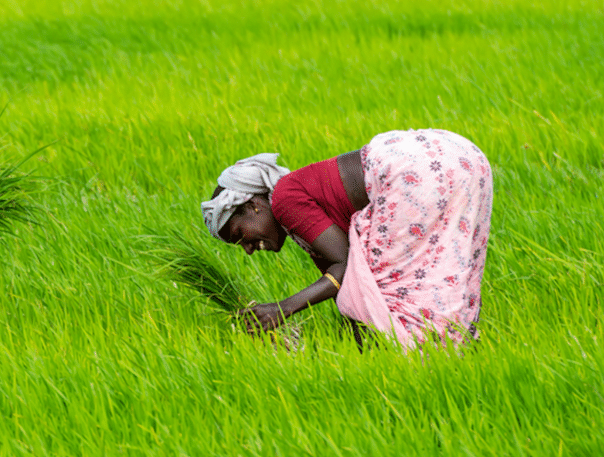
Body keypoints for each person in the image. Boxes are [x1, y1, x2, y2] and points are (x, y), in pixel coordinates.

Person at [201, 129, 493, 349]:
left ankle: (436, 357)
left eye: (242, 237)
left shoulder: (284, 199)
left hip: (412, 172)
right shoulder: (299, 200)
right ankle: (460, 349)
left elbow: (346, 267)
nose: (250, 250)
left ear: (254, 206)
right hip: (461, 157)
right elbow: (351, 288)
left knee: (395, 299)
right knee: (437, 273)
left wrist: (283, 309)